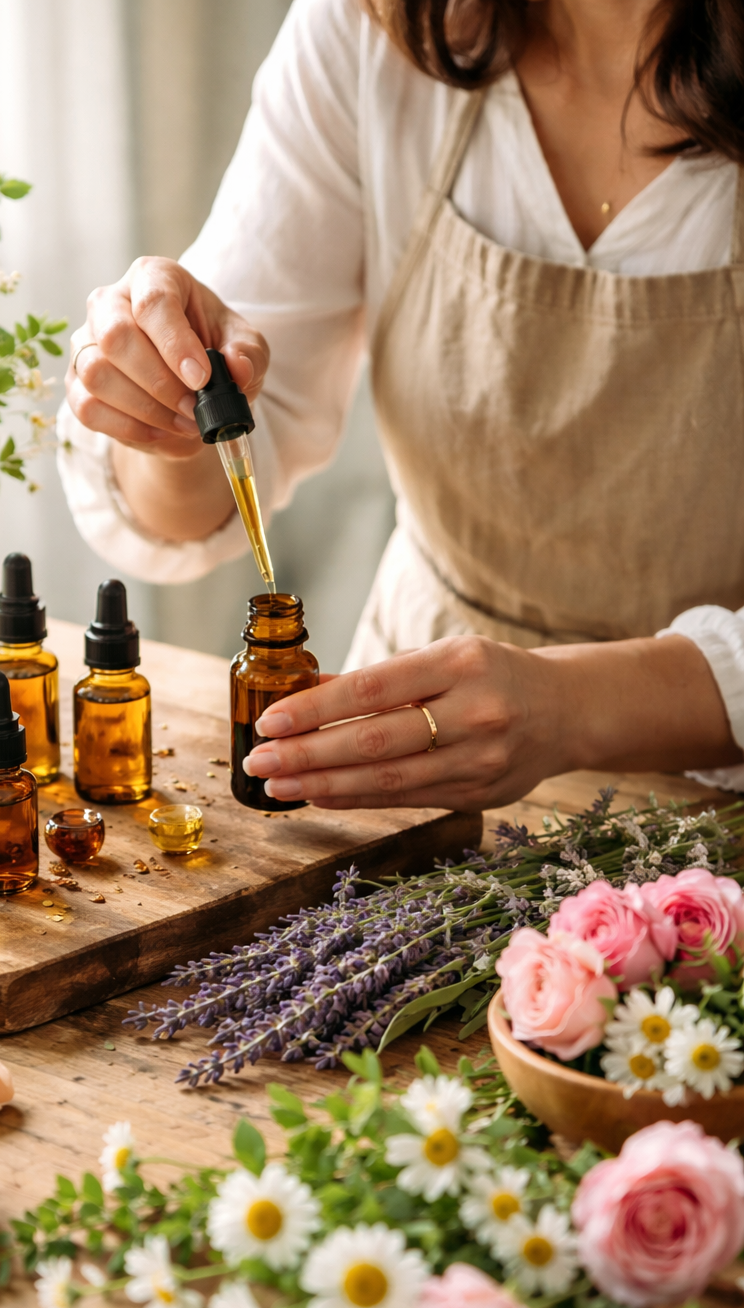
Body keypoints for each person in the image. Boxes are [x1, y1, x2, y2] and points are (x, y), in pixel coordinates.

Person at [58, 0, 744, 812]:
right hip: (413, 764)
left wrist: (573, 704)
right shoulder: (373, 28)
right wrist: (157, 406)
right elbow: (203, 477)